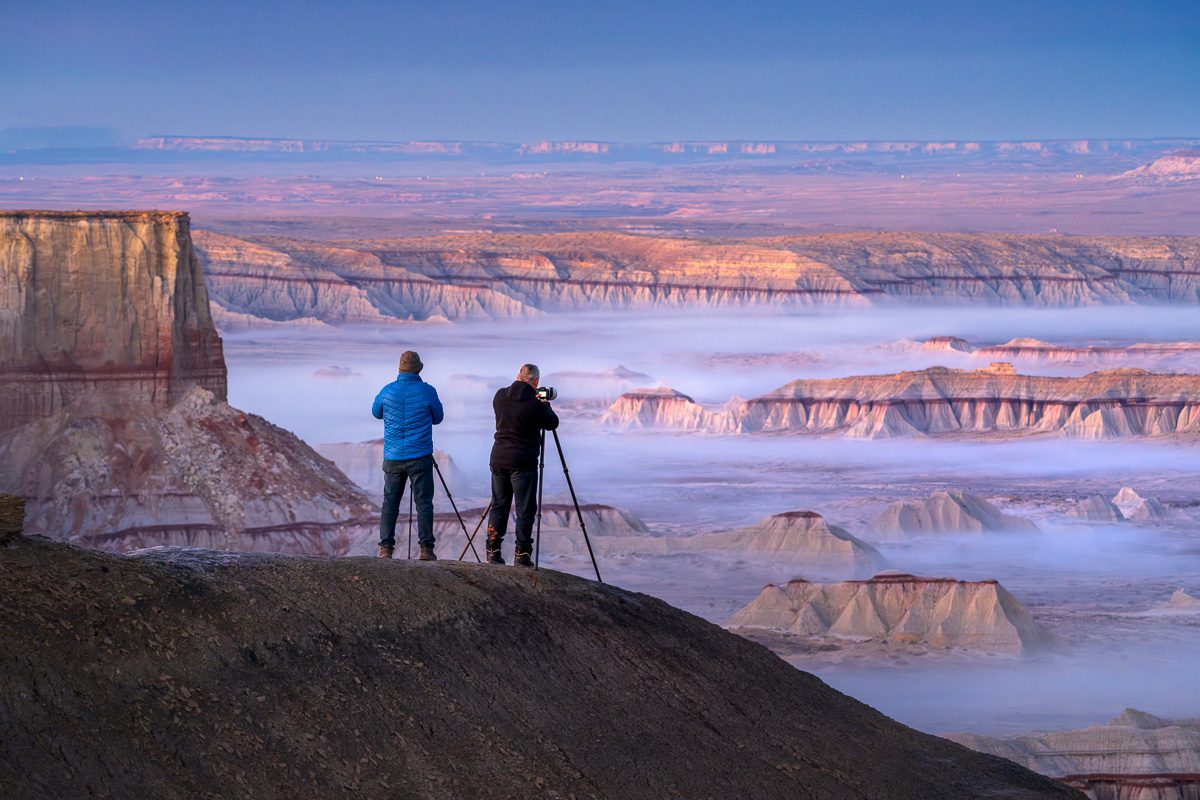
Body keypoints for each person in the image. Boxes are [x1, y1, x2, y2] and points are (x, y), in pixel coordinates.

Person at [372, 350, 444, 560]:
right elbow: (438, 417)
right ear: (418, 369)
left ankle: (386, 548)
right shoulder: (427, 391)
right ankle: (426, 549)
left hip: (393, 456)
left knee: (390, 502)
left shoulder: (387, 391)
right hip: (420, 456)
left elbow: (376, 412)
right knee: (424, 503)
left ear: (400, 369)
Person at [486, 363, 558, 567]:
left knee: (499, 505)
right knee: (524, 509)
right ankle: (522, 555)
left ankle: (492, 552)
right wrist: (545, 403)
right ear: (536, 381)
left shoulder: (500, 395)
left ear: (518, 376)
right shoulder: (535, 405)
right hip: (522, 462)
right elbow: (552, 423)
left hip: (498, 458)